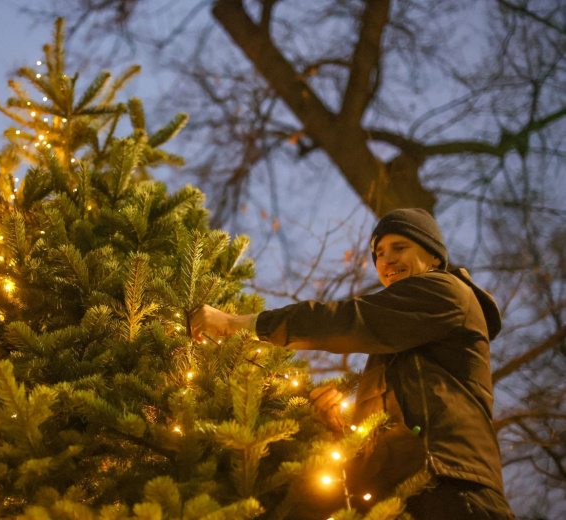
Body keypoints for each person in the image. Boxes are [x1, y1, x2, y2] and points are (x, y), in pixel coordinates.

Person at [190, 208, 515, 519]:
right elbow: (387, 430)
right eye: (379, 254)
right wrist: (340, 427)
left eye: (399, 247)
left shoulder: (445, 293)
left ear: (433, 256)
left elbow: (345, 320)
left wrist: (236, 324)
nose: (387, 260)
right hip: (401, 495)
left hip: (451, 485)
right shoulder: (400, 342)